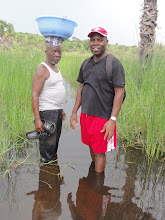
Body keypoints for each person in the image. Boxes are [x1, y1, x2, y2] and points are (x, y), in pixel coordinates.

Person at [70, 27, 125, 173]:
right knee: (90, 146)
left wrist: (112, 119)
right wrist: (74, 111)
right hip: (86, 115)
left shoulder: (114, 64)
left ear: (106, 42)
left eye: (100, 40)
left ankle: (97, 185)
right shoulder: (86, 63)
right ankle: (92, 177)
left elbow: (119, 92)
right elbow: (81, 88)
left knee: (100, 152)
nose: (96, 43)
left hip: (102, 118)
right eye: (93, 40)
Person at [32, 36, 66, 163]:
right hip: (47, 113)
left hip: (56, 111)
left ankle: (53, 174)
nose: (57, 55)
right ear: (46, 52)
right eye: (53, 51)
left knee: (54, 144)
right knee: (47, 148)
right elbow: (35, 95)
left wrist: (60, 109)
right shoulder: (42, 69)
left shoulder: (55, 68)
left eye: (59, 52)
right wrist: (37, 120)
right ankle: (46, 175)